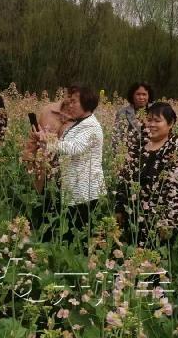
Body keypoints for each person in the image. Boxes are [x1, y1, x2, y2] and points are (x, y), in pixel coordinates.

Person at [34, 85, 106, 244]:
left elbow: (73, 147)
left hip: (85, 192)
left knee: (79, 237)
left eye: (74, 102)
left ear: (86, 103)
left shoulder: (91, 126)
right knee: (70, 234)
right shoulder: (80, 123)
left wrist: (46, 140)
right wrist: (45, 138)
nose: (69, 105)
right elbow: (65, 144)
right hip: (75, 189)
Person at [115, 102, 178, 248]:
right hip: (132, 216)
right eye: (149, 120)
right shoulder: (139, 143)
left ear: (171, 123)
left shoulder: (174, 150)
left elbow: (177, 191)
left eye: (157, 120)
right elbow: (124, 176)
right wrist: (119, 208)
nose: (151, 124)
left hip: (157, 221)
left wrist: (168, 224)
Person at [113, 82, 154, 149]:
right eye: (138, 94)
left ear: (149, 96)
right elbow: (117, 137)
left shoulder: (156, 110)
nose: (141, 97)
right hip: (130, 152)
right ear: (132, 95)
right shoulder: (122, 112)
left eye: (144, 94)